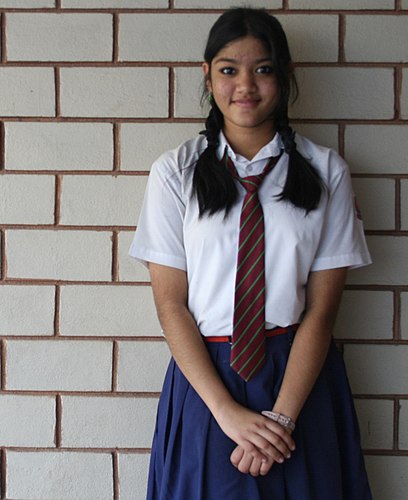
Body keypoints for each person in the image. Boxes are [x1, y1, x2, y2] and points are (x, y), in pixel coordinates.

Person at [129, 7, 373, 499]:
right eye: (229, 70)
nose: (245, 85)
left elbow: (323, 311)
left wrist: (279, 418)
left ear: (285, 75)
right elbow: (170, 304)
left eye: (263, 69)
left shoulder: (326, 172)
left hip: (297, 376)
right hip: (206, 381)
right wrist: (227, 414)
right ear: (207, 74)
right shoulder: (175, 173)